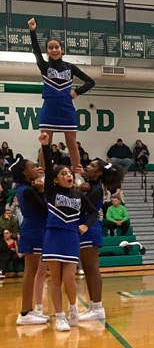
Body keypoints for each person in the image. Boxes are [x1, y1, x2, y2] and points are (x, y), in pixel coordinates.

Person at [39, 132, 98, 331]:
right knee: (55, 280)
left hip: (71, 237)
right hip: (54, 236)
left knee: (69, 279)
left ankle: (73, 308)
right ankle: (60, 316)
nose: (68, 175)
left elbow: (94, 213)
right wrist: (46, 146)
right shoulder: (52, 191)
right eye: (63, 174)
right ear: (55, 180)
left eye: (69, 173)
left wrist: (86, 225)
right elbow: (47, 169)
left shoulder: (79, 195)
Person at [28, 18, 95, 173]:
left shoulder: (70, 68)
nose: (54, 50)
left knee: (72, 143)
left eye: (56, 47)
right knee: (45, 143)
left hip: (67, 111)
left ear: (62, 49)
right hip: (49, 110)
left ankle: (77, 174)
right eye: (50, 48)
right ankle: (42, 173)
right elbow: (35, 51)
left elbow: (90, 81)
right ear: (47, 52)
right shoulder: (44, 66)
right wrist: (32, 32)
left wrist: (77, 91)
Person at [78, 158, 123, 322]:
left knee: (92, 269)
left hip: (89, 230)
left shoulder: (96, 190)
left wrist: (77, 190)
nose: (87, 167)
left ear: (98, 173)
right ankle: (93, 306)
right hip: (85, 229)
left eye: (91, 166)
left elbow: (84, 208)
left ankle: (98, 307)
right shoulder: (91, 186)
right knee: (88, 270)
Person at [9, 155, 49, 325]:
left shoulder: (24, 187)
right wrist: (41, 191)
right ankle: (25, 313)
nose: (36, 169)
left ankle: (29, 310)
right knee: (30, 272)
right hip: (34, 231)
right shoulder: (29, 190)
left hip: (33, 229)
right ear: (25, 173)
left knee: (32, 272)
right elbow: (44, 210)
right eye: (33, 167)